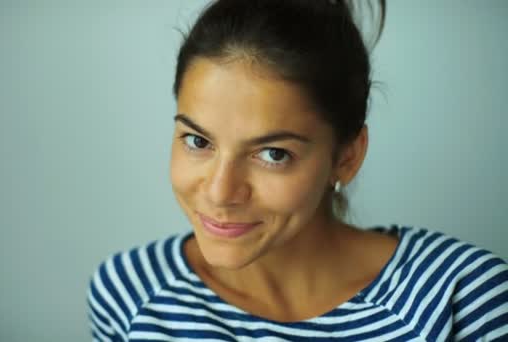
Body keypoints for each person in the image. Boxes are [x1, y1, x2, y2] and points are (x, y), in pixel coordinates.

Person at [87, 0, 508, 340]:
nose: (219, 192)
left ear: (347, 156)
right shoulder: (128, 291)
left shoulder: (463, 300)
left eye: (272, 154)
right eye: (198, 141)